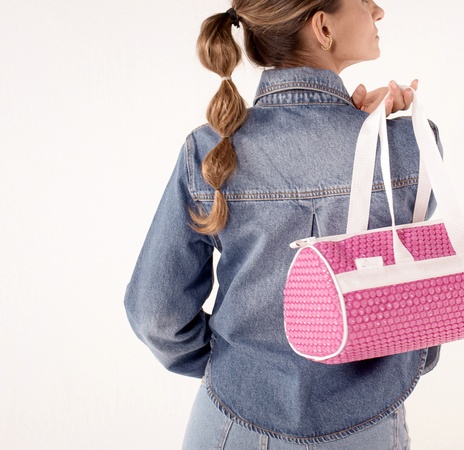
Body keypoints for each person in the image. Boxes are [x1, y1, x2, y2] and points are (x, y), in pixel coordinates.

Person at [124, 0, 442, 448]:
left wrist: (229, 365)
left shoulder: (210, 150)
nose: (378, 10)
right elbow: (421, 287)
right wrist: (391, 129)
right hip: (370, 420)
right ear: (322, 28)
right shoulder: (408, 144)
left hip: (233, 420)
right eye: (363, 0)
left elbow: (156, 313)